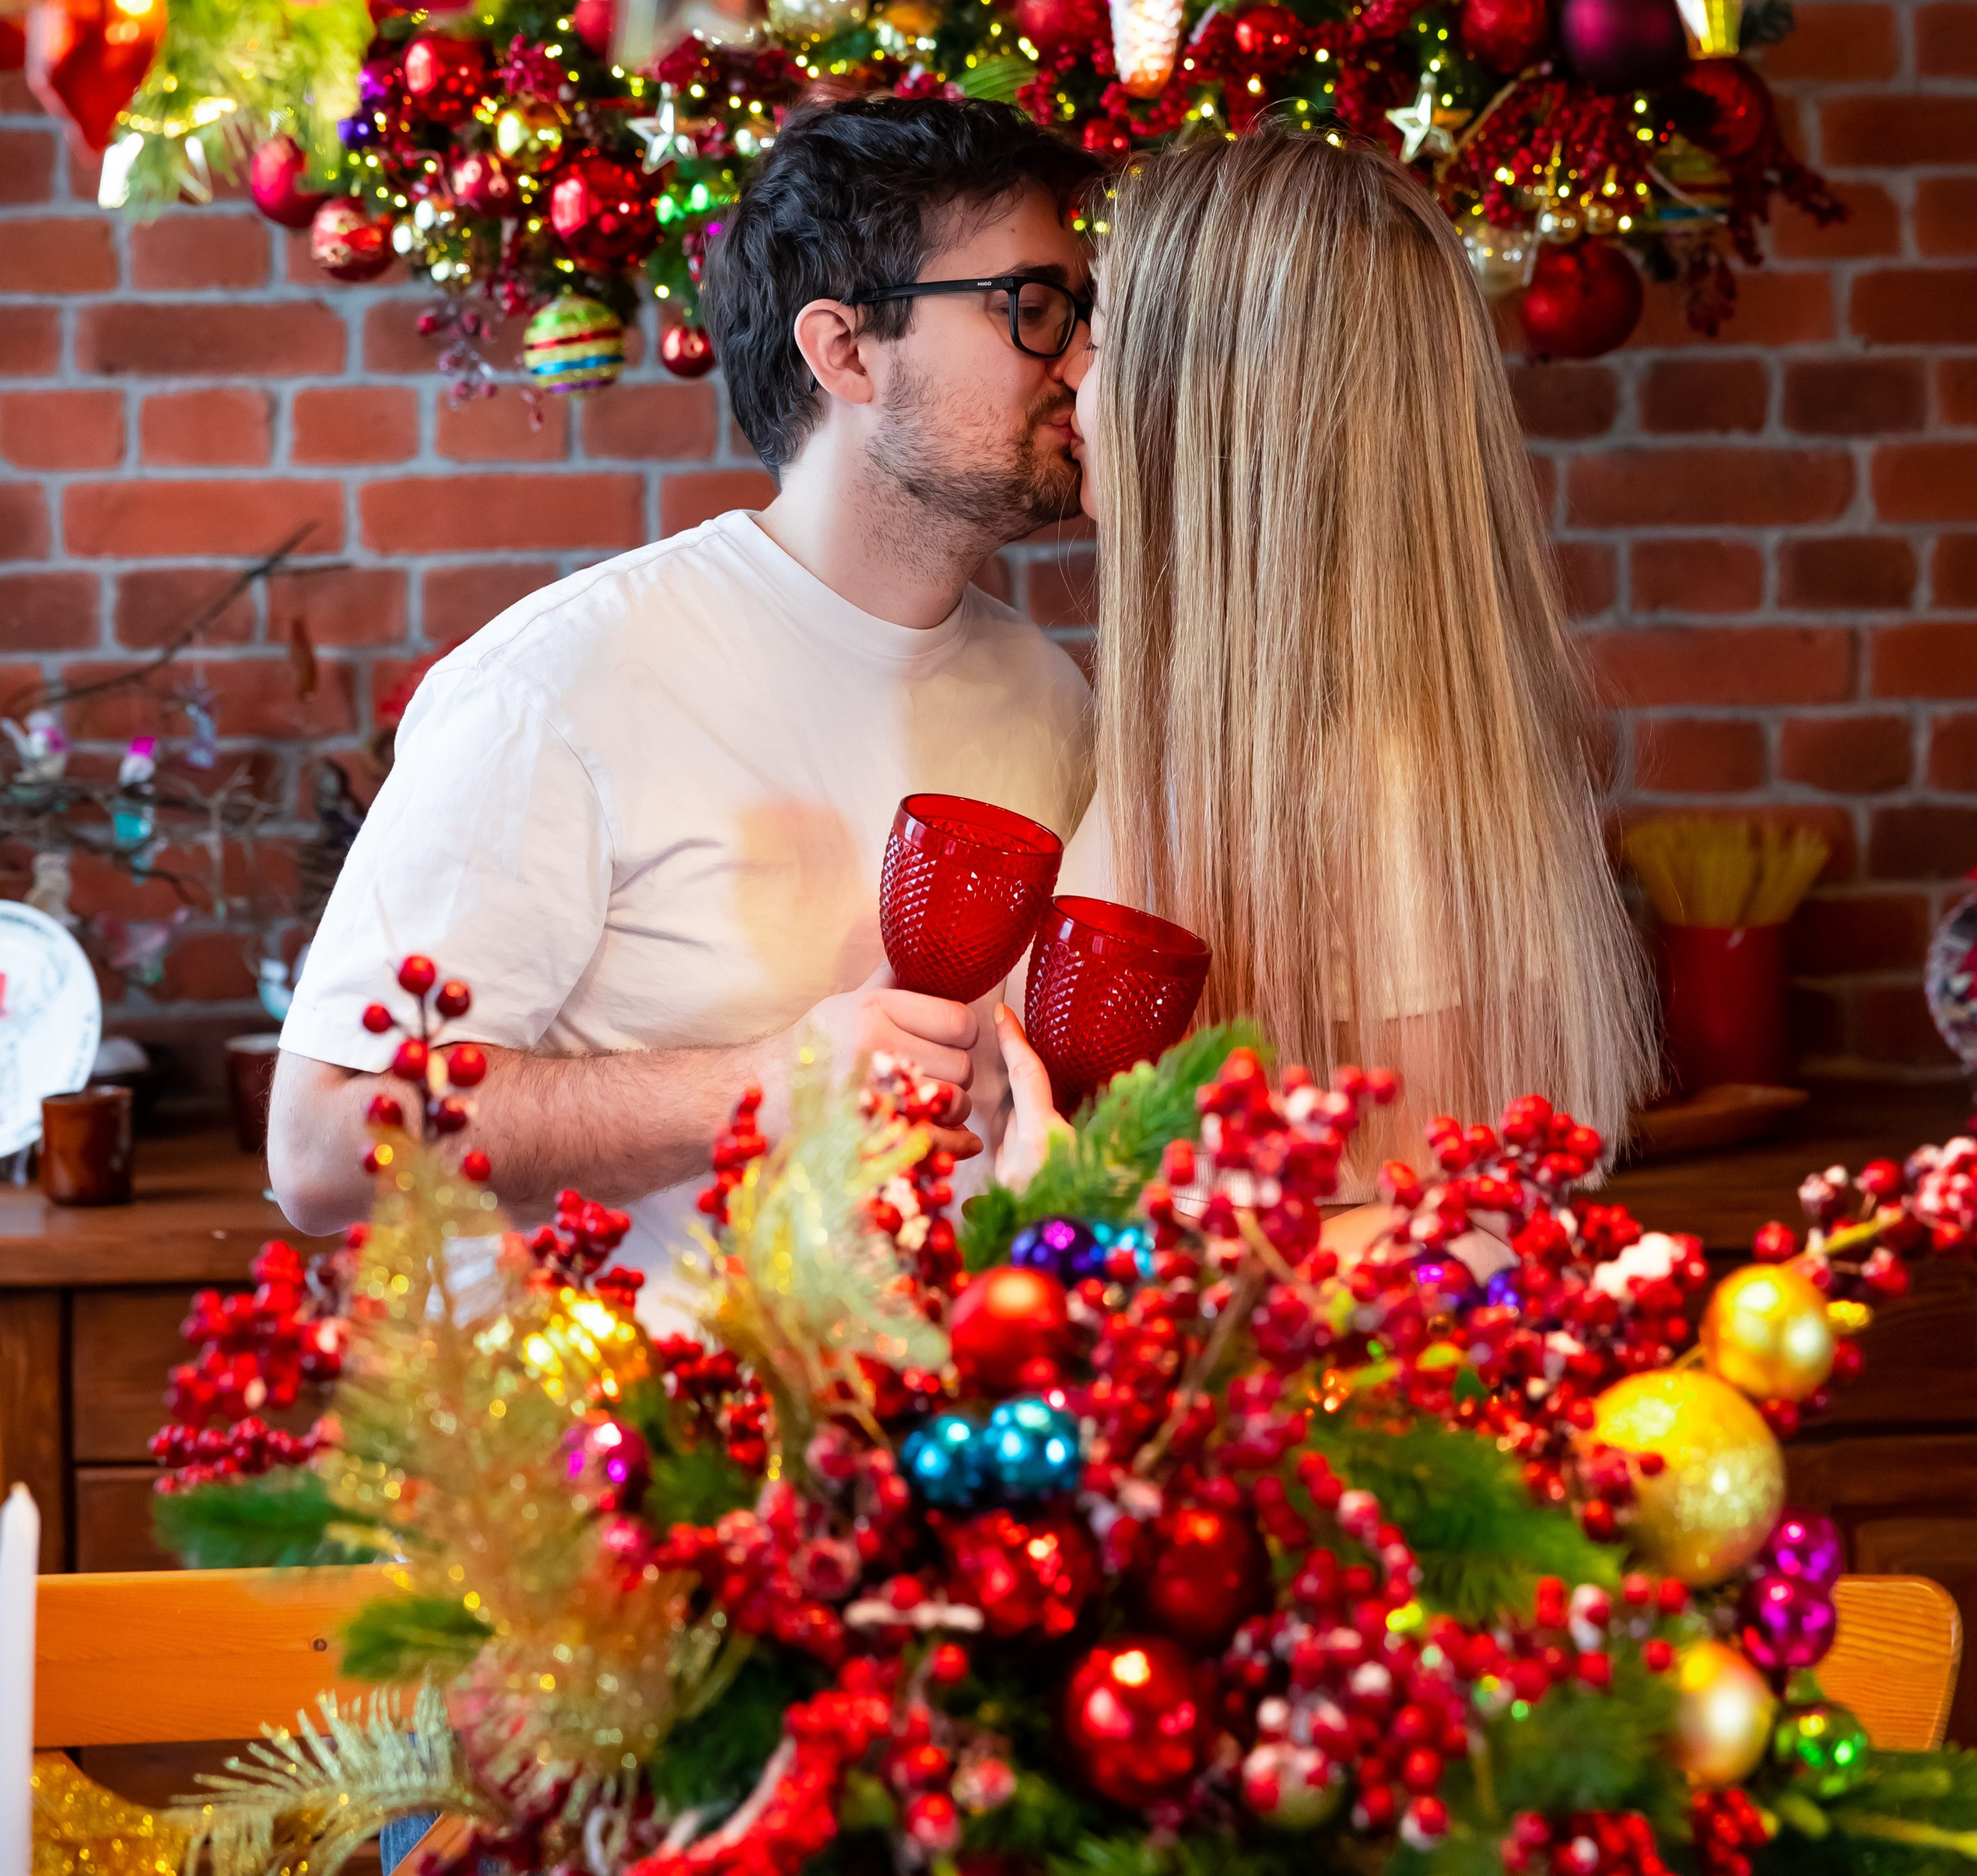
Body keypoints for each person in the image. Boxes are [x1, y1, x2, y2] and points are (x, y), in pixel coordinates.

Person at [269, 96, 1097, 1300]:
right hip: (639, 1411)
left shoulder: (1047, 695)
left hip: (966, 1400)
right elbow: (320, 1143)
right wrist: (758, 1085)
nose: (1080, 361)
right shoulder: (562, 679)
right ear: (846, 352)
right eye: (1033, 306)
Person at [993, 121, 1653, 1185]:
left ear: (1211, 407)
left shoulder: (1379, 801)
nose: (1067, 374)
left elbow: (1448, 1242)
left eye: (1102, 340)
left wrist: (1080, 1217)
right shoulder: (1224, 750)